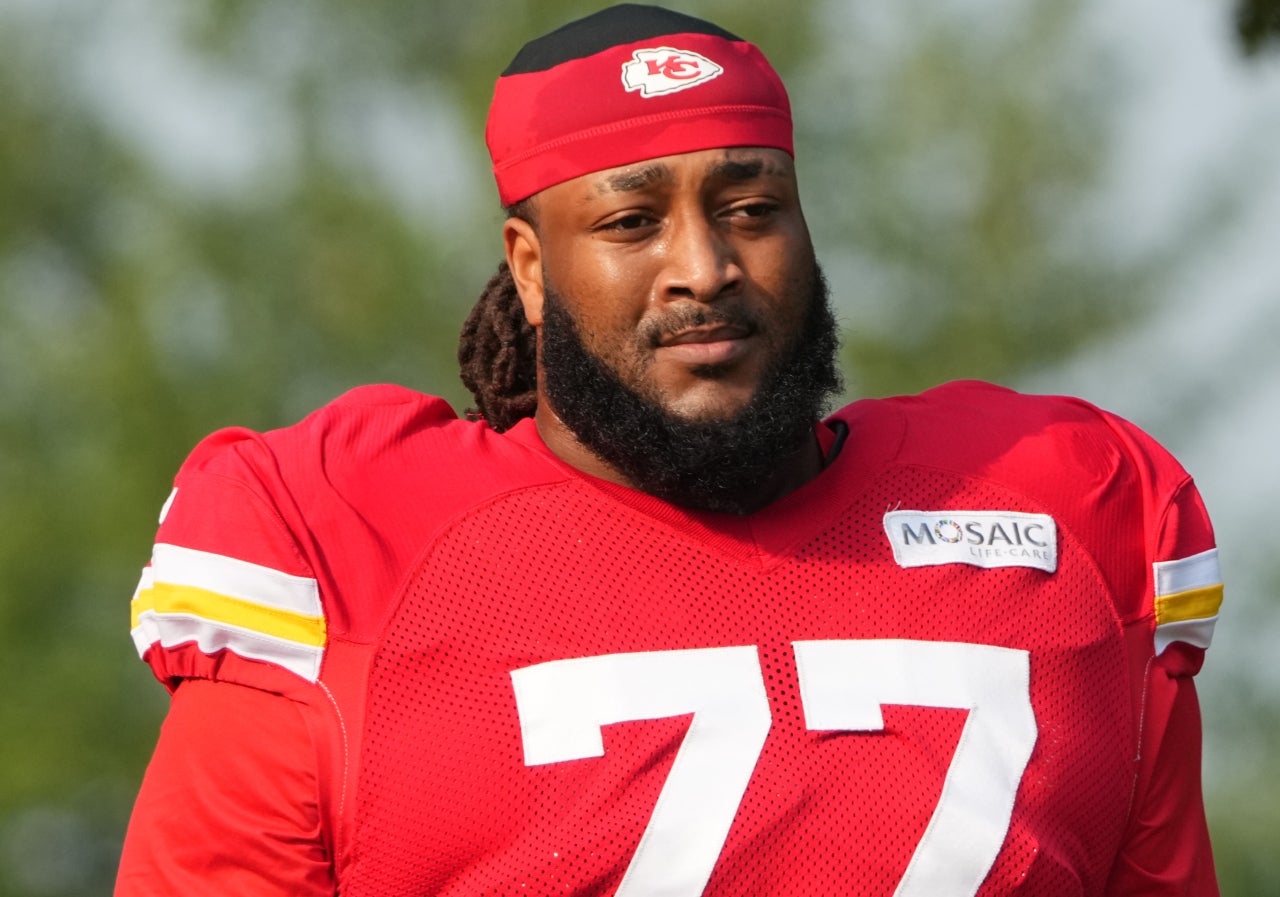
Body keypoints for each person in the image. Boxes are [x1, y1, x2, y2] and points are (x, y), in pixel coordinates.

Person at [116, 4, 1224, 895]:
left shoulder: (1065, 512)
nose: (704, 267)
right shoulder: (346, 541)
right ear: (530, 266)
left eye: (751, 207)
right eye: (631, 222)